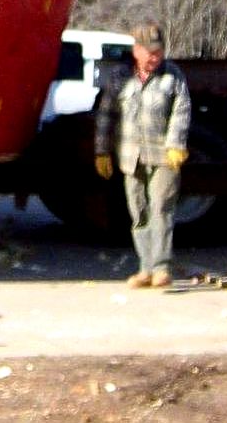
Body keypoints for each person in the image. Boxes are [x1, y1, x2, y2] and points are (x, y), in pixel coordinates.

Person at [93, 22, 191, 288]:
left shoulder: (173, 76)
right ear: (136, 51)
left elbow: (181, 112)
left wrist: (176, 144)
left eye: (158, 52)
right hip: (130, 156)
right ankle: (145, 268)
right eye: (149, 52)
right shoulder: (119, 77)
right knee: (139, 213)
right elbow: (105, 116)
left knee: (161, 209)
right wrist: (102, 151)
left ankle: (161, 268)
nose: (154, 57)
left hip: (163, 157)